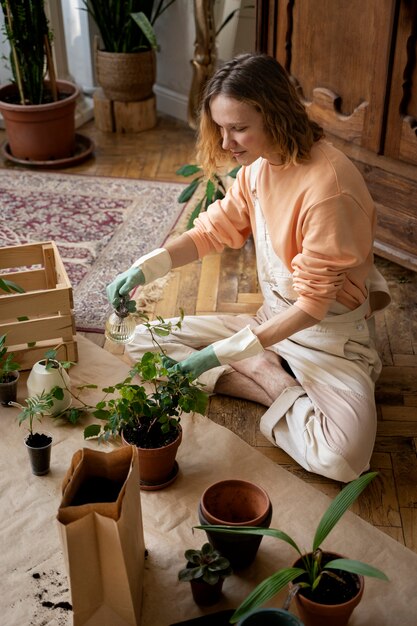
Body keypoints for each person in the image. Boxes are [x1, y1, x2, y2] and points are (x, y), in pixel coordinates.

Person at [106, 53, 391, 483]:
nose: (226, 143)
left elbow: (313, 307)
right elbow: (211, 231)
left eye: (238, 128)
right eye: (221, 128)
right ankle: (268, 376)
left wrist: (221, 355)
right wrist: (145, 268)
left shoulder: (330, 189)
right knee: (144, 344)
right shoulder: (258, 168)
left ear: (276, 116)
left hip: (325, 338)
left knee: (344, 459)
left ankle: (267, 378)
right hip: (270, 320)